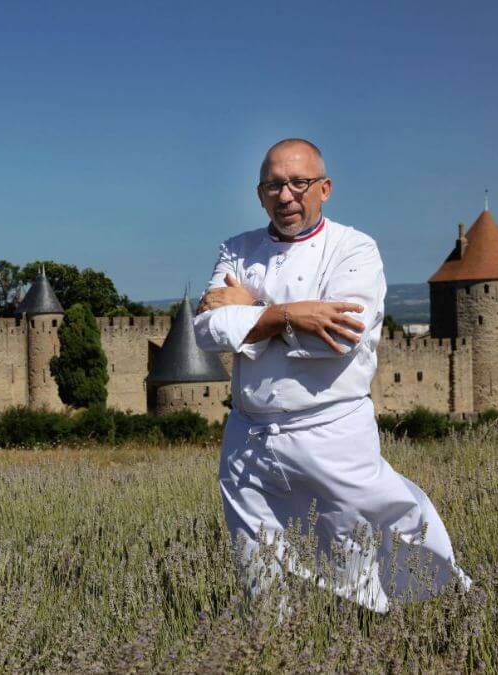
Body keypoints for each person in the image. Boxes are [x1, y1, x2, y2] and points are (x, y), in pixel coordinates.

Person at [193, 138, 471, 613]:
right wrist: (292, 316)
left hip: (331, 434)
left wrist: (253, 314)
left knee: (359, 551)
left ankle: (430, 612)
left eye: (299, 183)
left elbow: (336, 339)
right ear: (259, 194)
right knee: (259, 562)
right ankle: (274, 645)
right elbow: (207, 329)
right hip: (249, 436)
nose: (286, 196)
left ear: (325, 188)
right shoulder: (236, 250)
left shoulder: (354, 249)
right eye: (273, 185)